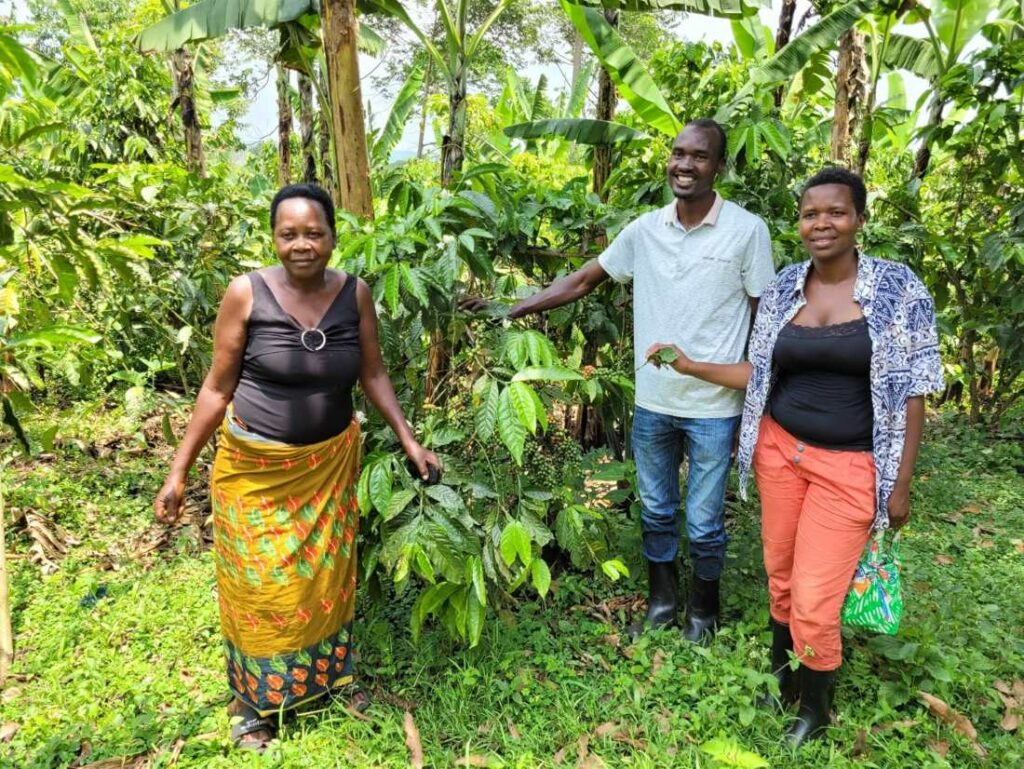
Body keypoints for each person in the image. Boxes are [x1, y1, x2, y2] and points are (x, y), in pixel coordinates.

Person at [647, 167, 943, 746]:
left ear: (859, 218)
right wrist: (689, 365)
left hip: (851, 465)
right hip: (780, 453)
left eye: (835, 212)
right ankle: (783, 677)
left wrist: (900, 484)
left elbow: (914, 389)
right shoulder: (785, 286)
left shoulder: (898, 288)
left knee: (813, 595)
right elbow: (761, 372)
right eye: (811, 214)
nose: (822, 223)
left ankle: (816, 704)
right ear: (800, 223)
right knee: (780, 577)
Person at [153, 184, 440, 750]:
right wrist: (178, 472)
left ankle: (328, 680)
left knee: (324, 579)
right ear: (274, 238)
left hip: (329, 466)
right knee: (259, 587)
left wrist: (410, 441)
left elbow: (374, 374)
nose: (302, 245)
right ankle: (250, 704)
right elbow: (216, 387)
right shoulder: (246, 293)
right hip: (255, 471)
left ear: (334, 236)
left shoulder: (354, 293)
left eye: (314, 233)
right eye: (289, 234)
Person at [484, 118, 775, 643]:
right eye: (678, 153)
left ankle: (703, 614)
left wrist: (759, 392)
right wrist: (515, 307)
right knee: (658, 508)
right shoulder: (645, 230)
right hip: (654, 402)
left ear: (719, 166)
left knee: (705, 521)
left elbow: (765, 316)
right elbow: (584, 279)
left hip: (715, 404)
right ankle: (663, 602)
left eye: (699, 156)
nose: (685, 165)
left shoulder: (746, 230)